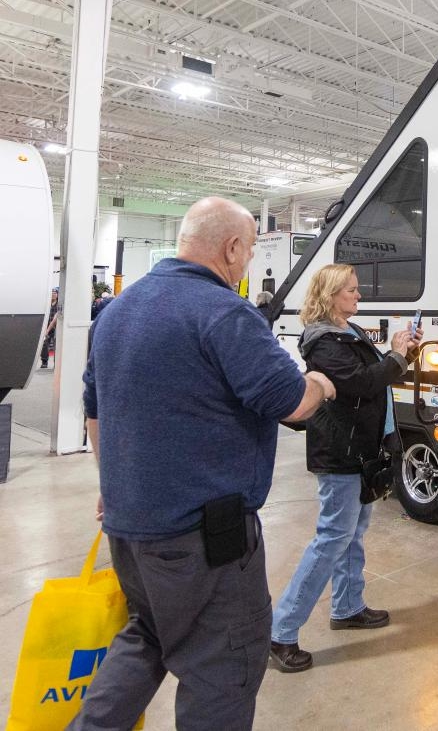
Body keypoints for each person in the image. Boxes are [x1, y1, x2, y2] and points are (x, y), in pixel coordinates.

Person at [72, 197, 337, 730]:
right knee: (225, 666)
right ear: (232, 247)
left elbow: (95, 410)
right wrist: (322, 383)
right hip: (204, 542)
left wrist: (115, 483)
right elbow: (290, 401)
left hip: (132, 532)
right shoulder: (224, 312)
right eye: (251, 248)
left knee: (147, 636)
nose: (248, 261)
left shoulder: (118, 310)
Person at [269, 263, 421, 673]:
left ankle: (348, 606)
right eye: (350, 291)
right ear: (330, 294)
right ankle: (281, 631)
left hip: (361, 450)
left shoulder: (348, 332)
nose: (358, 296)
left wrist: (398, 348)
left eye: (356, 290)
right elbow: (363, 383)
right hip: (341, 452)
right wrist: (397, 355)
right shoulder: (323, 341)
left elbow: (373, 375)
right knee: (332, 538)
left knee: (353, 532)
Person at [39, 288, 58, 368]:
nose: (53, 294)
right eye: (52, 293)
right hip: (46, 327)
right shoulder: (47, 305)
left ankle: (56, 363)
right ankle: (44, 362)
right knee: (44, 344)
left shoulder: (59, 304)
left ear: (57, 295)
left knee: (56, 345)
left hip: (55, 328)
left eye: (55, 293)